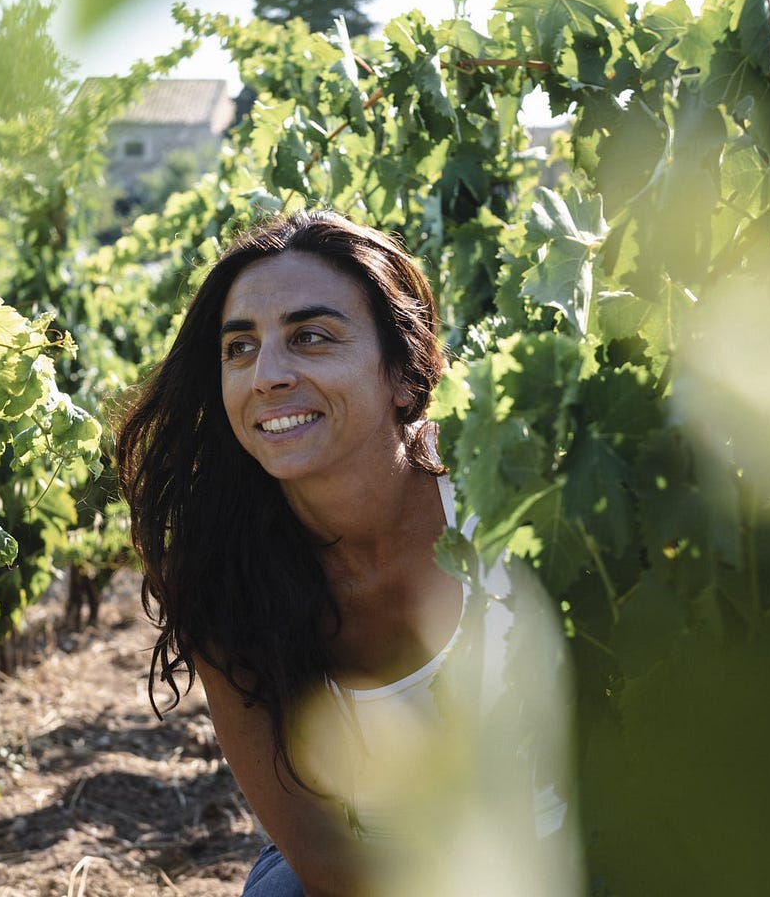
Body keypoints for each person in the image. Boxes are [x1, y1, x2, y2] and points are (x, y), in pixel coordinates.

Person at [115, 209, 578, 896]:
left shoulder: (502, 491)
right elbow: (322, 855)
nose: (267, 374)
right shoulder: (224, 582)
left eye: (311, 337)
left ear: (403, 374)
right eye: (239, 348)